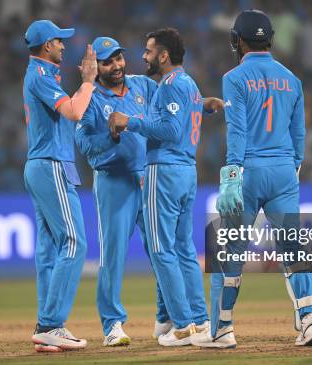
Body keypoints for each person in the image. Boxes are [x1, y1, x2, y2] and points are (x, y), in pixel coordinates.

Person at [192, 10, 312, 348]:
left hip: (248, 171)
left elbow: (236, 130)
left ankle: (222, 328)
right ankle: (310, 320)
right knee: (293, 246)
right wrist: (288, 169)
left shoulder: (234, 77)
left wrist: (232, 174)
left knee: (229, 250)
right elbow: (299, 135)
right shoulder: (292, 79)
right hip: (283, 172)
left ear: (238, 40)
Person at [109, 28, 223, 347]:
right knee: (185, 249)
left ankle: (183, 326)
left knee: (161, 249)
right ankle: (199, 320)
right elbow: (185, 115)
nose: (143, 56)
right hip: (187, 171)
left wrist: (128, 121)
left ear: (163, 55)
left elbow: (171, 130)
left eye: (148, 51)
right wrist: (204, 104)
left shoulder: (171, 86)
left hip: (165, 169)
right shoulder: (189, 84)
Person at [74, 36, 168, 346]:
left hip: (148, 177)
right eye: (107, 61)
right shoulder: (89, 98)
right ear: (95, 67)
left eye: (118, 58)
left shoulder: (142, 85)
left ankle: (165, 318)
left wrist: (201, 104)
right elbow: (86, 147)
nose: (116, 65)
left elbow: (173, 101)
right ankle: (112, 325)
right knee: (113, 256)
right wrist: (111, 138)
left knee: (160, 252)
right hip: (114, 182)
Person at [22, 19, 98, 352]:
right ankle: (51, 324)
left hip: (44, 164)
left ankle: (46, 327)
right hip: (50, 165)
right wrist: (88, 82)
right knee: (74, 242)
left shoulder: (43, 75)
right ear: (45, 45)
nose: (64, 45)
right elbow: (74, 111)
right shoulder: (40, 76)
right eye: (58, 40)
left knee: (50, 248)